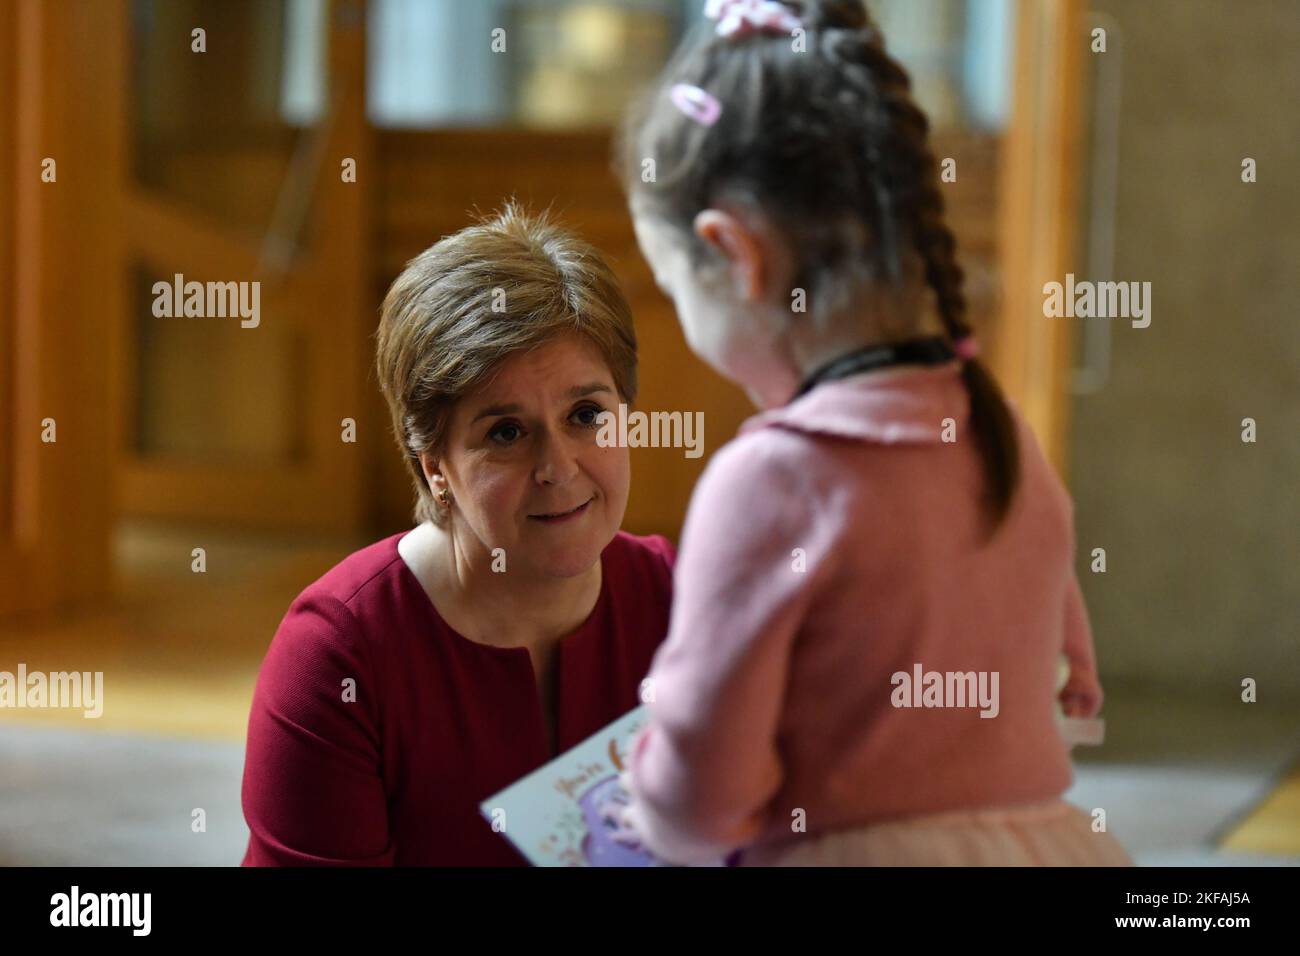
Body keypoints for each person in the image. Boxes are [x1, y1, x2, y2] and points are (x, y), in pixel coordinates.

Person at [609, 0, 1131, 866]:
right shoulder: (998, 431)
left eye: (673, 286)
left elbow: (705, 802)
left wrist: (643, 784)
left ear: (734, 255)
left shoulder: (772, 482)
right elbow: (1059, 666)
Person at [240, 204, 674, 865]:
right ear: (434, 466)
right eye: (506, 431)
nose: (559, 468)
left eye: (586, 415)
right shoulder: (337, 655)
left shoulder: (684, 602)